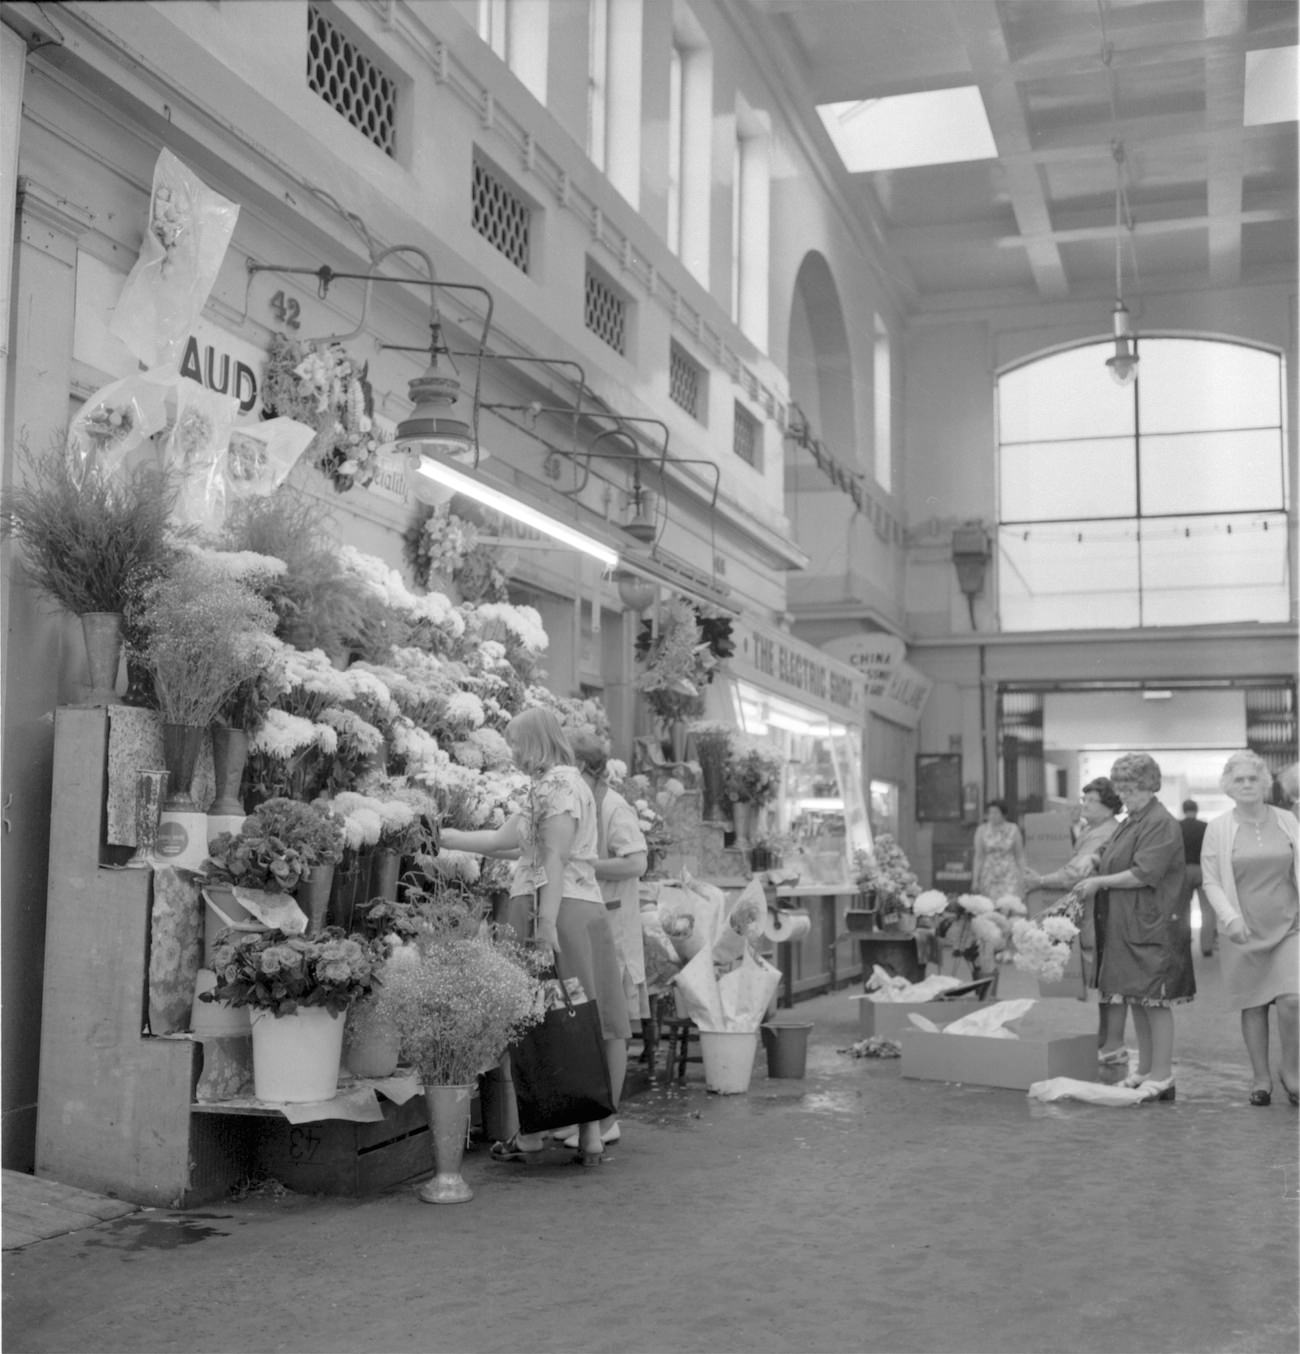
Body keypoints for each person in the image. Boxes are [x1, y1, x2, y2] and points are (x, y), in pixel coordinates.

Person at [438, 707, 631, 1166]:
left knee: (549, 1017)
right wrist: (442, 836)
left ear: (535, 741)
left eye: (517, 743)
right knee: (570, 1017)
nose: (513, 752)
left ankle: (574, 1134)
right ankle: (561, 1134)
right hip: (570, 908)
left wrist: (544, 925)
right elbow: (504, 841)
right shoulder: (556, 785)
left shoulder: (557, 786)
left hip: (554, 910)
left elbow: (554, 858)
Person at [1070, 752, 1193, 1102]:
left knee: (1156, 1000)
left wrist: (1099, 882)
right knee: (1138, 999)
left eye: (1133, 788)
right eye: (1122, 788)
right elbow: (1111, 851)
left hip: (1153, 925)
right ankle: (1145, 1070)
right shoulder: (1133, 819)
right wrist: (1092, 858)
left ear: (1150, 785)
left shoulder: (1160, 822)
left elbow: (1144, 873)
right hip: (1129, 924)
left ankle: (1163, 1075)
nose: (1125, 795)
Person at [561, 728, 649, 1149]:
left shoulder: (613, 806)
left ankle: (609, 1114)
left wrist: (585, 865)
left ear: (580, 766)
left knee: (613, 1025)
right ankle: (588, 1115)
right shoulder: (580, 801)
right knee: (591, 1024)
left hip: (612, 927)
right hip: (592, 925)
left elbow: (636, 863)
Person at [1200, 750, 1300, 1107]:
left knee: (1293, 1000)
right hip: (1242, 928)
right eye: (1239, 779)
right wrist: (1231, 919)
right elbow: (1211, 882)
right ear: (1228, 786)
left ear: (1264, 783)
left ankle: (1292, 1071)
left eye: (1252, 778)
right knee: (1254, 1005)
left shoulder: (1287, 820)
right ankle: (1260, 1077)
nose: (1246, 785)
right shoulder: (1219, 828)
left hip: (1289, 926)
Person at [1026, 777, 1126, 1062]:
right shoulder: (1094, 828)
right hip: (1097, 909)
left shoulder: (1102, 833)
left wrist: (1041, 880)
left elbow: (1075, 872)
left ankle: (1112, 1043)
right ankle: (1106, 1039)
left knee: (1109, 980)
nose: (1084, 805)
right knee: (1105, 980)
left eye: (1091, 801)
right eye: (1084, 800)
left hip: (1102, 911)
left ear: (1108, 807)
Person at [972, 799, 1026, 900]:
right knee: (990, 906)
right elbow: (979, 857)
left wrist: (1024, 876)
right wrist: (975, 880)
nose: (992, 816)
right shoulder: (982, 830)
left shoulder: (1013, 829)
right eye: (990, 813)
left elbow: (1020, 856)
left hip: (1009, 874)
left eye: (996, 812)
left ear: (1003, 814)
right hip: (989, 875)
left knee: (1009, 904)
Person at [1181, 799, 1213, 956]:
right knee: (1207, 910)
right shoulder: (1205, 827)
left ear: (1183, 810)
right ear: (1196, 810)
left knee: (1183, 909)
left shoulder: (1177, 827)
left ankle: (1184, 942)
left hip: (1183, 871)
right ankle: (1207, 947)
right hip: (1202, 870)